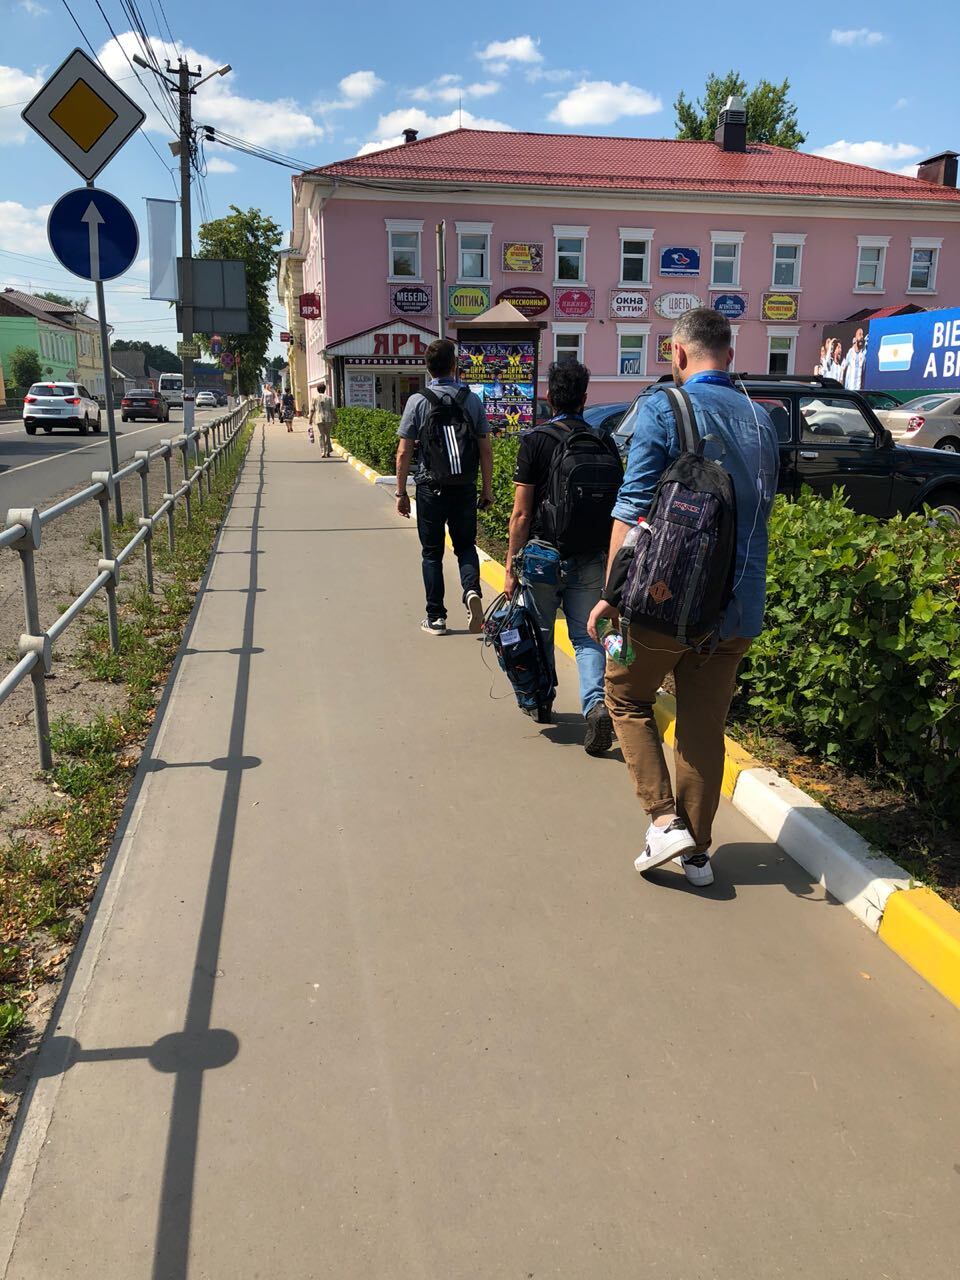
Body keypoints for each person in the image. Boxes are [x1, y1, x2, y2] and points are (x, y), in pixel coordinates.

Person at [588, 308, 779, 887]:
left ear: (677, 354)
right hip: (740, 606)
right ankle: (697, 855)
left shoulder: (662, 408)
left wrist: (610, 595)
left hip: (662, 602)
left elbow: (631, 505)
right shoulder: (762, 419)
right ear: (730, 353)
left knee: (622, 695)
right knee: (702, 725)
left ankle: (664, 820)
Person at [503, 360, 617, 756]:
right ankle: (595, 705)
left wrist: (509, 567)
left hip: (542, 558)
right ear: (585, 398)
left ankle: (543, 700)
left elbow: (520, 512)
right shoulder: (603, 441)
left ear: (549, 397)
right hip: (589, 556)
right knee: (588, 637)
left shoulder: (534, 441)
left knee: (540, 634)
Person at [395, 338, 494, 636]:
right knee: (465, 546)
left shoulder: (418, 401)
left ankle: (436, 617)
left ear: (427, 368)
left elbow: (403, 452)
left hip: (430, 489)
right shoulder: (471, 400)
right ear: (454, 365)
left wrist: (401, 493)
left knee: (431, 553)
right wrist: (486, 490)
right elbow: (485, 449)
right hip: (463, 487)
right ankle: (471, 591)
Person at [310, 381, 335, 457]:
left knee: (321, 435)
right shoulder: (329, 398)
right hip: (328, 418)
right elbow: (332, 409)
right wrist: (336, 418)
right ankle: (327, 451)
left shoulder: (314, 398)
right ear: (325, 389)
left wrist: (310, 419)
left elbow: (312, 410)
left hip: (319, 418)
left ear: (318, 390)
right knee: (327, 435)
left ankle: (323, 452)